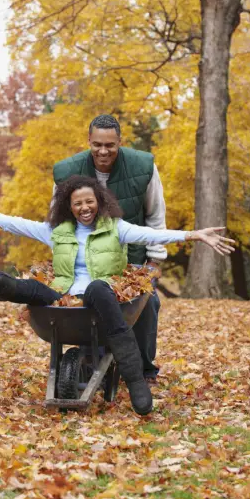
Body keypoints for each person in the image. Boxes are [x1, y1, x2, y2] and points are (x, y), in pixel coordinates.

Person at [0, 175, 235, 416]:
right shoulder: (56, 231)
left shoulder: (116, 229)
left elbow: (152, 235)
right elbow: (10, 221)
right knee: (31, 289)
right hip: (64, 297)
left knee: (96, 287)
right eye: (78, 203)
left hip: (102, 296)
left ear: (99, 202)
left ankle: (133, 378)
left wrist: (193, 235)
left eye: (89, 201)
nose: (84, 208)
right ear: (69, 206)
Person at [53, 114, 167, 383]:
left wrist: (155, 261)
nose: (103, 151)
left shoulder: (142, 167)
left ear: (119, 143)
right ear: (89, 142)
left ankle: (142, 367)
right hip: (86, 258)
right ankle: (91, 358)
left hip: (133, 258)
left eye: (110, 145)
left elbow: (156, 217)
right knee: (84, 306)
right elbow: (57, 220)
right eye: (97, 145)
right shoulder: (68, 171)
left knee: (146, 304)